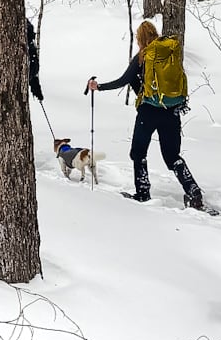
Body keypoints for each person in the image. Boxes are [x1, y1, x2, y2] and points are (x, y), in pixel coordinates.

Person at [87, 20, 207, 210]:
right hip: (172, 111)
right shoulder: (169, 53)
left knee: (138, 152)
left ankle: (143, 192)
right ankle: (193, 191)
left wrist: (98, 86)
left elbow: (123, 80)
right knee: (172, 156)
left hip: (148, 112)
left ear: (140, 38)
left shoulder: (143, 56)